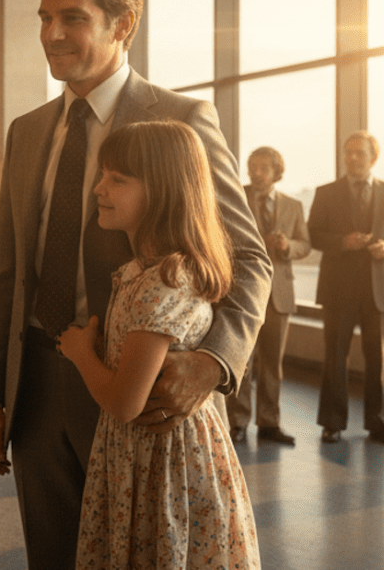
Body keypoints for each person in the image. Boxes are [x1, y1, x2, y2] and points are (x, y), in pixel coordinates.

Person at [0, 0, 271, 569]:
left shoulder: (179, 120)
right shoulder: (27, 132)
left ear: (123, 23)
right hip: (36, 387)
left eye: (73, 17)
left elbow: (247, 254)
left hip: (140, 390)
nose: (52, 34)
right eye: (44, 17)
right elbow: (9, 272)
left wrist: (216, 362)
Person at [59, 120, 259, 568]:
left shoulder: (163, 283)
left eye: (117, 180)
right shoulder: (141, 273)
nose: (98, 189)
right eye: (102, 176)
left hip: (161, 460)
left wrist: (80, 353)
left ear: (163, 191)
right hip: (143, 457)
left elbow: (126, 402)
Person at [227, 147, 310, 445]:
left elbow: (305, 245)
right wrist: (260, 242)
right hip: (242, 291)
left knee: (273, 363)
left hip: (279, 294)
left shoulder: (293, 206)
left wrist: (288, 247)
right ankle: (237, 422)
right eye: (252, 166)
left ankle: (269, 423)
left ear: (277, 171)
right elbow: (222, 237)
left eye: (263, 168)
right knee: (242, 362)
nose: (256, 173)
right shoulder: (234, 197)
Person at [307, 130, 384, 444]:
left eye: (359, 153)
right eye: (348, 152)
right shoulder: (326, 192)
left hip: (377, 289)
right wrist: (343, 242)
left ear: (373, 158)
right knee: (335, 357)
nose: (352, 158)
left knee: (376, 359)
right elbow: (313, 235)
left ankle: (377, 421)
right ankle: (332, 422)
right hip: (338, 289)